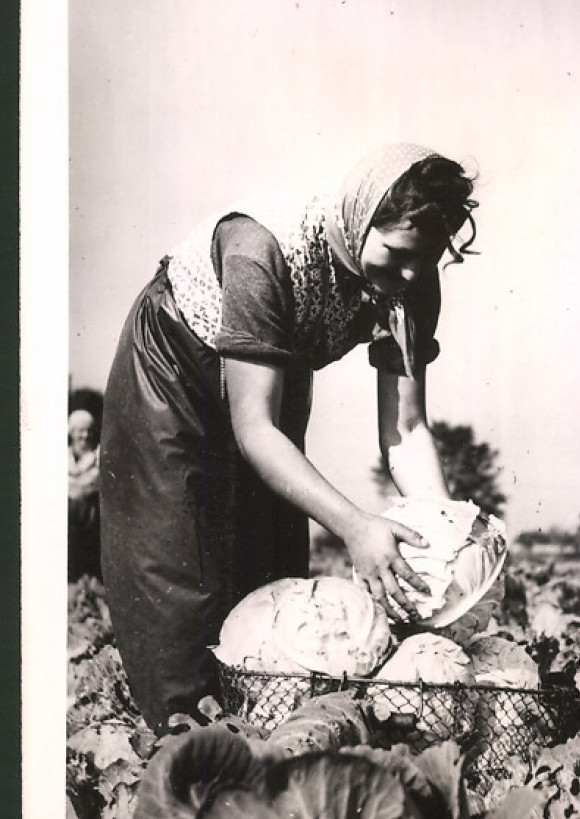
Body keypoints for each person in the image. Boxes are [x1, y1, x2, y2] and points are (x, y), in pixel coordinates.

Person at [99, 142, 479, 734]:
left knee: (271, 561)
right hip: (177, 361)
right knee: (179, 566)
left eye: (424, 261)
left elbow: (405, 427)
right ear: (361, 218)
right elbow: (257, 431)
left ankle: (271, 742)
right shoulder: (262, 250)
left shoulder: (411, 280)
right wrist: (355, 525)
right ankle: (184, 747)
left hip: (277, 361)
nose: (407, 275)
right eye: (398, 253)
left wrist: (446, 536)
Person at [68, 408, 102, 582]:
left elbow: (93, 484)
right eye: (80, 430)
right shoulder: (63, 457)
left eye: (89, 430)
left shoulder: (98, 457)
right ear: (71, 432)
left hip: (91, 522)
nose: (85, 435)